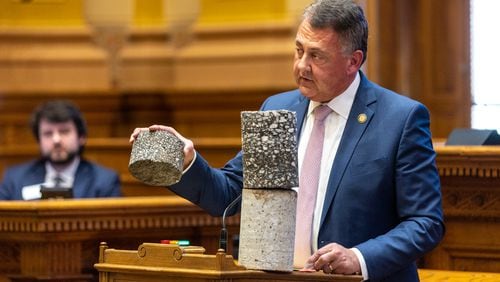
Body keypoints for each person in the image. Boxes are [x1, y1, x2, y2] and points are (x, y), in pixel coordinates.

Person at [129, 0, 444, 281]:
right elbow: (229, 195)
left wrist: (358, 258)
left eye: (316, 56)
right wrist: (187, 162)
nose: (301, 66)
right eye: (299, 50)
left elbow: (425, 222)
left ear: (353, 61)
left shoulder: (400, 119)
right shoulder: (279, 109)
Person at [0, 100, 121, 200]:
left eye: (64, 131)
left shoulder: (104, 181)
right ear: (39, 140)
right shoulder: (14, 179)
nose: (56, 140)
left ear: (81, 137)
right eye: (48, 133)